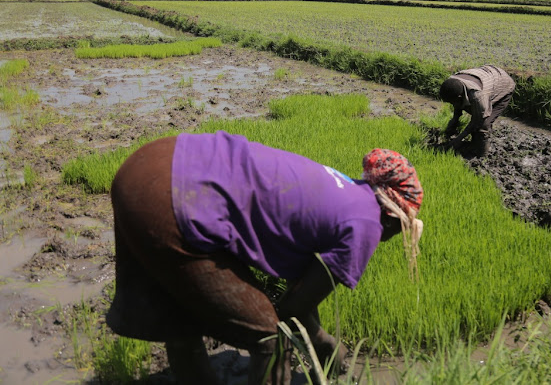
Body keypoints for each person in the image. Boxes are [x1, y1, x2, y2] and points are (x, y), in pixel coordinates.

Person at [105, 131, 423, 385]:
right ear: (394, 215)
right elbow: (290, 310)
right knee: (271, 340)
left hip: (155, 161)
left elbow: (300, 290)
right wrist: (324, 342)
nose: (393, 237)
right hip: (171, 201)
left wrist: (320, 338)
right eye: (404, 227)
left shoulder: (348, 190)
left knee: (180, 315)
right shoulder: (366, 225)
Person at [439, 65, 516, 157]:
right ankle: (469, 140)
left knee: (483, 124)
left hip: (503, 86)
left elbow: (478, 119)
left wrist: (458, 139)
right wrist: (455, 119)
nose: (452, 105)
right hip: (488, 76)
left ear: (460, 96)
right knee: (467, 108)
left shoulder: (478, 97)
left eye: (453, 102)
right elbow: (457, 103)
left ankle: (482, 154)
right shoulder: (452, 83)